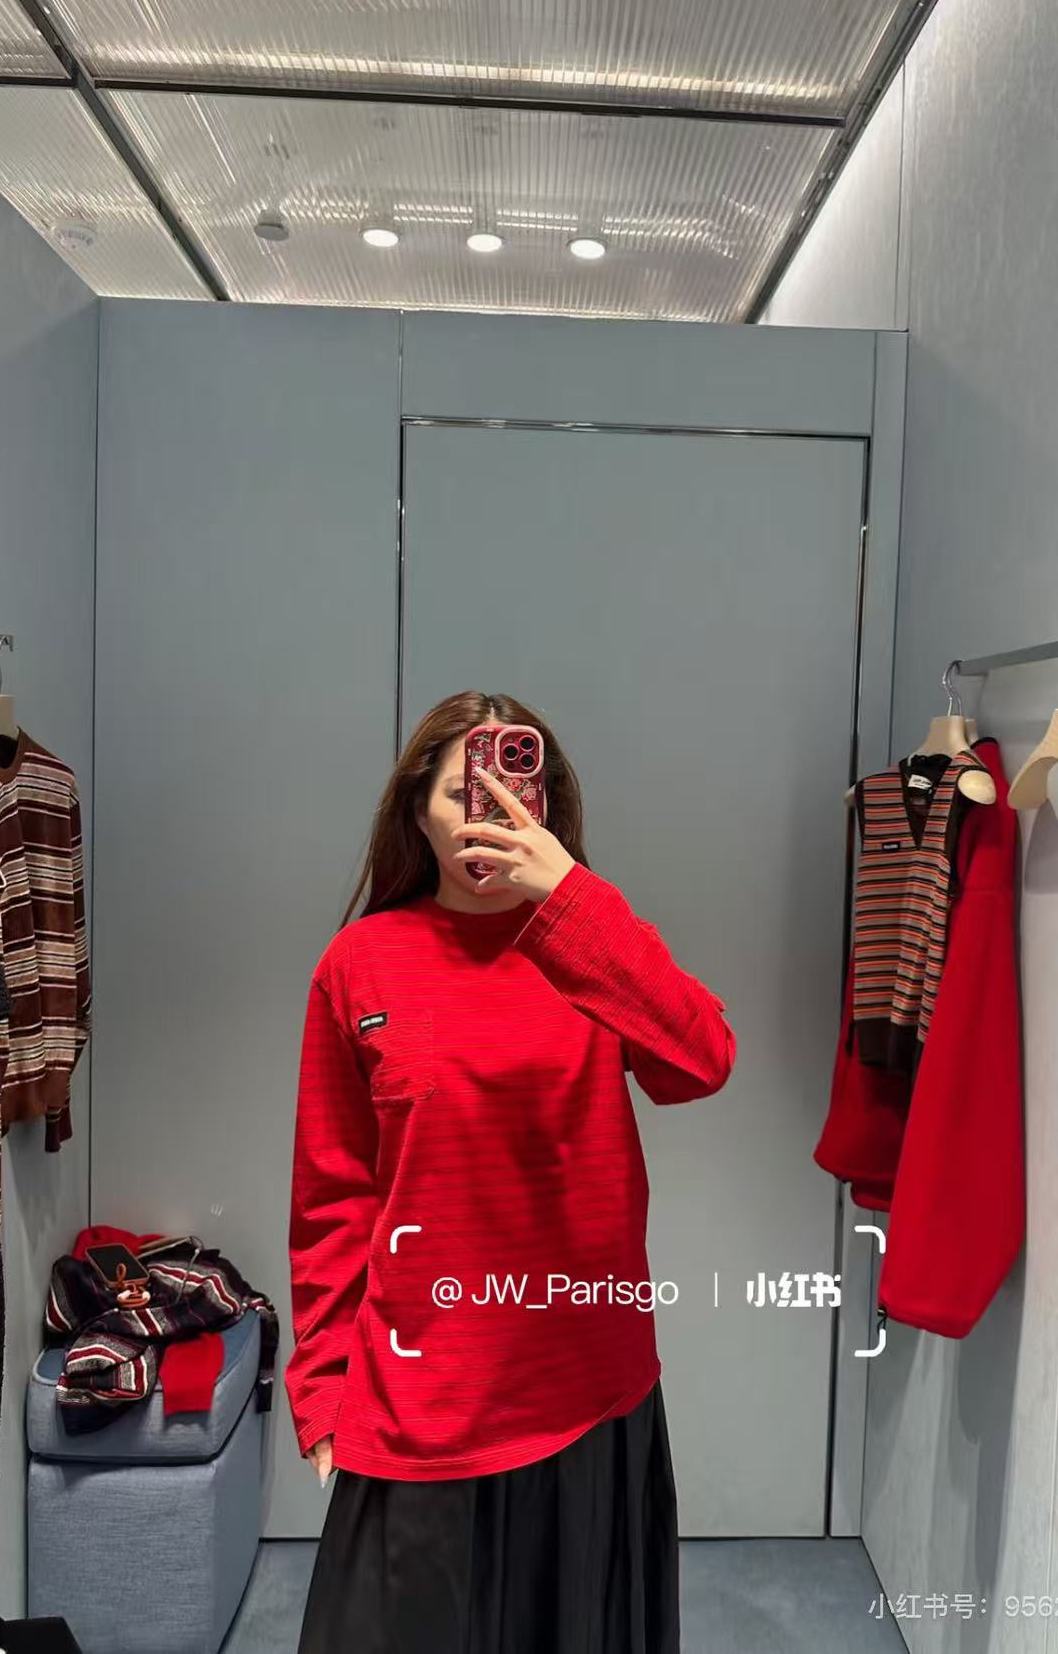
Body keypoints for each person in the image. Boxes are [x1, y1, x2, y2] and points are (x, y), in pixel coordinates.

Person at [287, 691, 737, 1654]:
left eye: (509, 790)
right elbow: (332, 1195)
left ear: (547, 805)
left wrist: (567, 894)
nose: (484, 813)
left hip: (589, 1390)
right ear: (416, 811)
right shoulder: (359, 965)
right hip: (422, 1399)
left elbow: (701, 1062)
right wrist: (322, 1387)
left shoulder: (591, 941)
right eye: (461, 792)